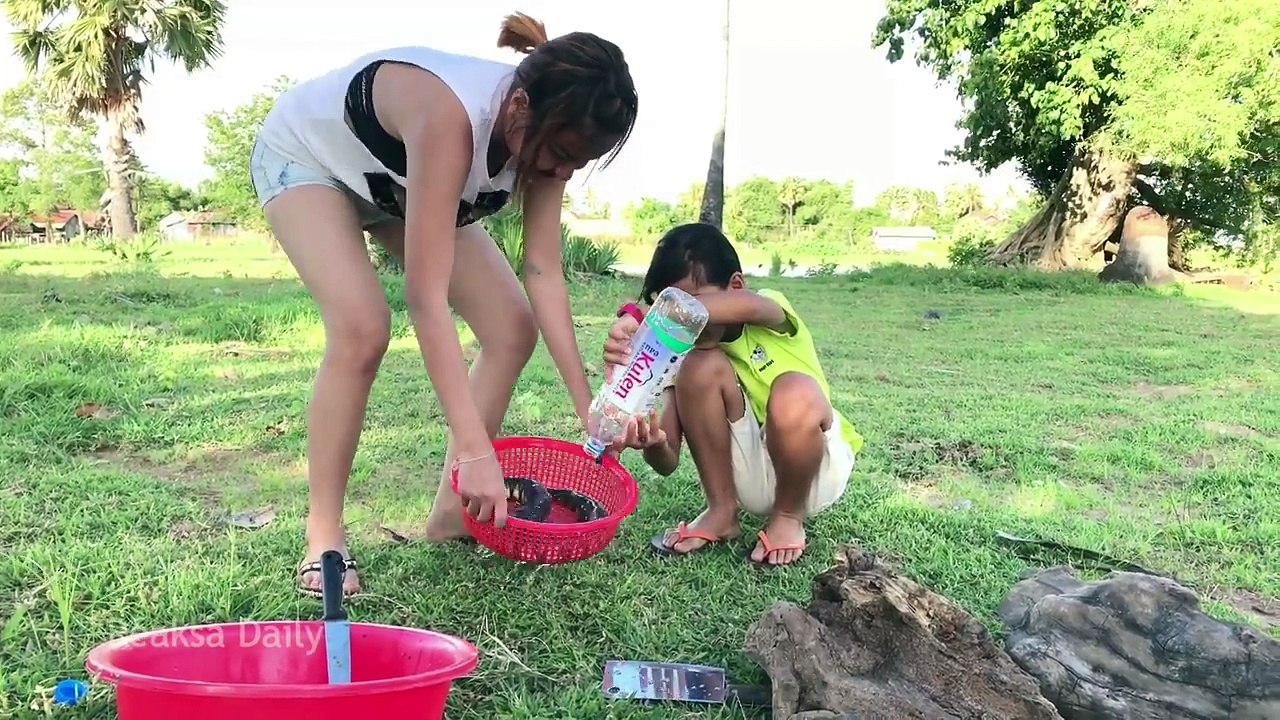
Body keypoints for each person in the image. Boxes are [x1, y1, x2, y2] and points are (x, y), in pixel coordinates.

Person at [248, 12, 638, 596]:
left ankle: (452, 517)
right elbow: (426, 299)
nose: (559, 171)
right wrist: (478, 449)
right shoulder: (450, 118)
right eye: (558, 153)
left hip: (393, 185)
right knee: (362, 328)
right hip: (309, 161)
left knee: (511, 326)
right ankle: (323, 535)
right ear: (520, 105)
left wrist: (592, 405)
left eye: (575, 164)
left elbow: (543, 270)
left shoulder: (555, 129)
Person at [603, 223, 862, 566]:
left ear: (736, 286)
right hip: (750, 475)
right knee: (698, 366)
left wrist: (643, 317)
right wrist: (652, 442)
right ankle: (721, 511)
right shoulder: (679, 357)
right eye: (670, 306)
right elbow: (667, 462)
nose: (681, 323)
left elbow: (752, 308)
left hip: (816, 471)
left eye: (688, 305)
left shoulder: (770, 309)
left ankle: (787, 517)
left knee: (793, 388)